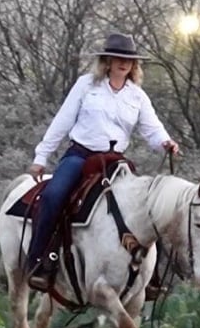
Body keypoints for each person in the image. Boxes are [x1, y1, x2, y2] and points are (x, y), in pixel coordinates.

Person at [25, 31, 179, 292]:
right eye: (119, 58)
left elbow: (152, 129)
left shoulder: (137, 96)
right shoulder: (86, 85)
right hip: (81, 156)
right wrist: (41, 156)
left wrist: (166, 142)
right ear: (107, 61)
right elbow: (62, 121)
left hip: (116, 162)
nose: (124, 63)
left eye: (129, 60)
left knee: (152, 206)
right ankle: (40, 261)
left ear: (134, 65)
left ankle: (149, 278)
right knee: (53, 196)